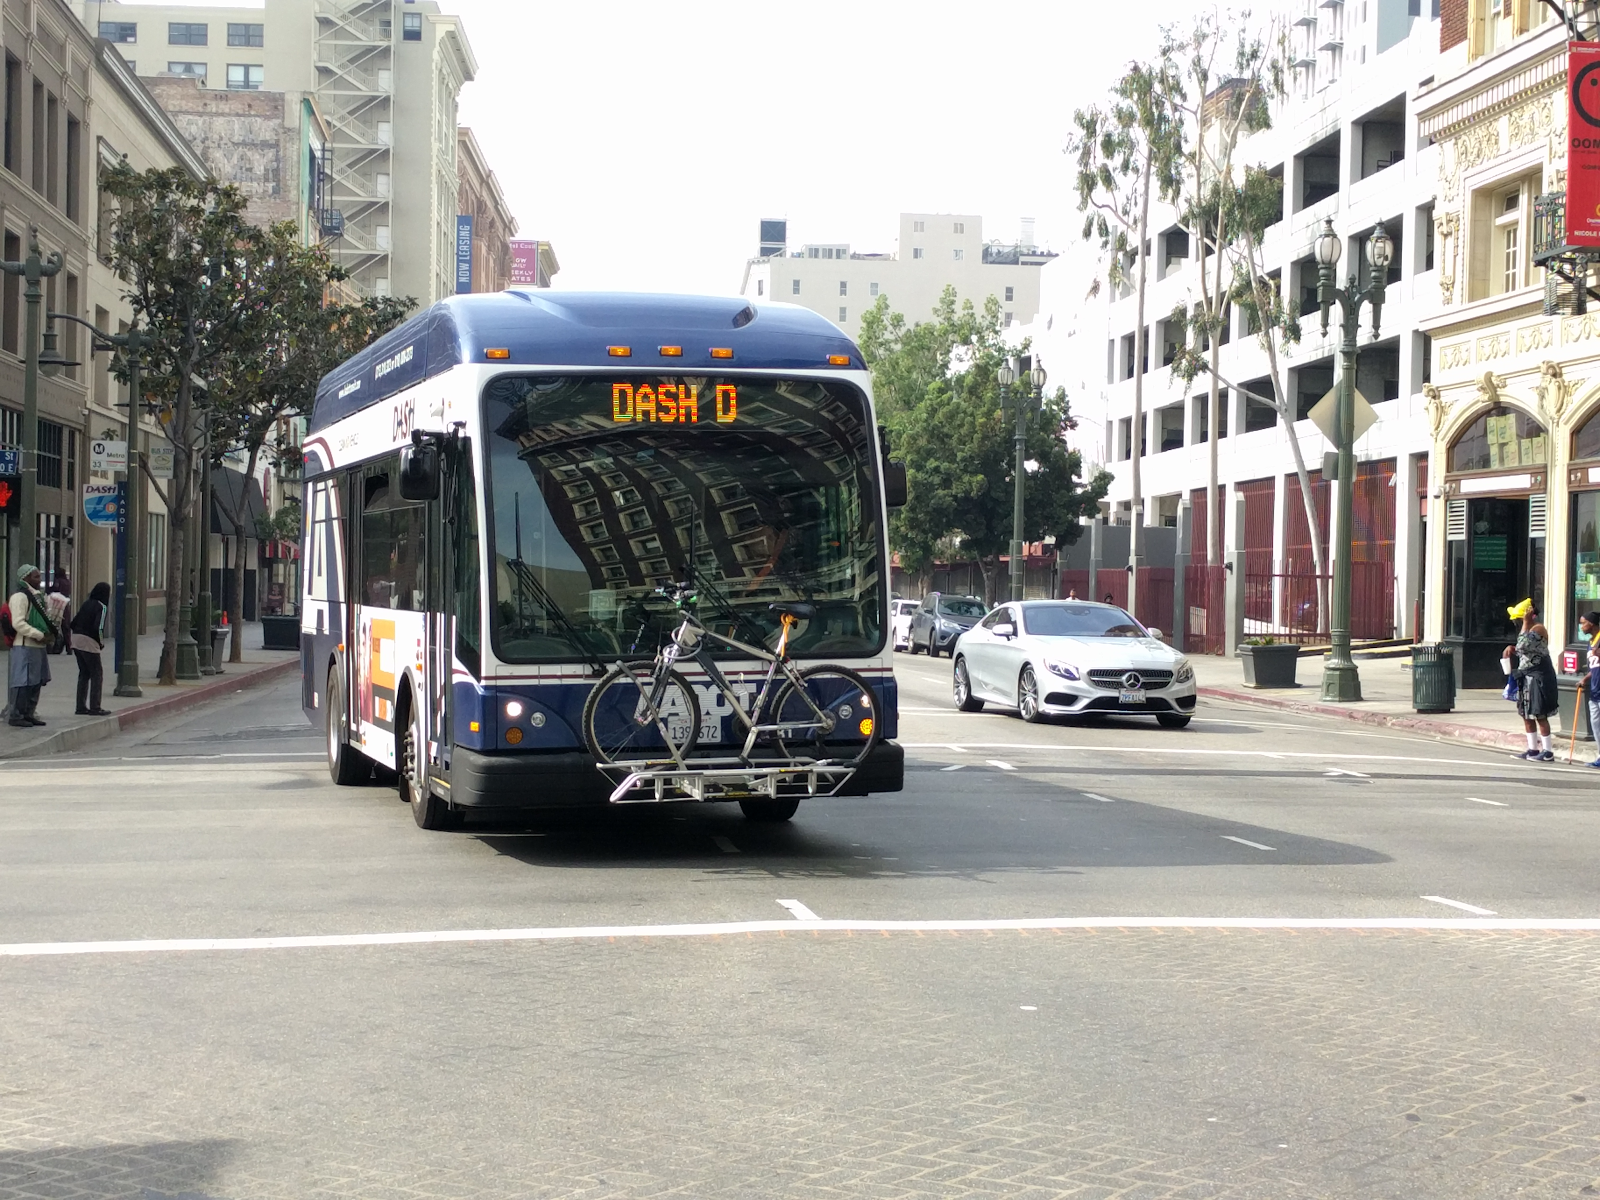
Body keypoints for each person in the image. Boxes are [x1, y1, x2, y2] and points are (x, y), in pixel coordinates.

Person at [1503, 598, 1560, 762]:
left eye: (1519, 619)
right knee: (1525, 713)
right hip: (1525, 676)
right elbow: (1522, 650)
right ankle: (1532, 749)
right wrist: (1511, 649)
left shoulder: (1538, 628)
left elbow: (1523, 645)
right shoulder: (1526, 630)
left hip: (1538, 676)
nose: (1518, 623)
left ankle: (1547, 751)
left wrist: (1526, 624)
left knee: (1539, 713)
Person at [7, 565, 56, 727]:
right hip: (24, 646)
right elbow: (18, 623)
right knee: (23, 682)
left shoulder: (38, 597)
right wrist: (39, 635)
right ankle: (16, 714)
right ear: (25, 578)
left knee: (36, 681)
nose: (39, 579)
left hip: (38, 647)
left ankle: (29, 713)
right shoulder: (20, 597)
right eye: (35, 577)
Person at [69, 582, 111, 716]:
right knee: (97, 674)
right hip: (89, 641)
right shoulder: (101, 607)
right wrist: (101, 642)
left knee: (84, 673)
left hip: (75, 639)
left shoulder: (86, 603)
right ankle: (95, 707)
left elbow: (73, 622)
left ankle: (80, 706)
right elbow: (98, 627)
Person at [1583, 610, 1600, 769]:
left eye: (1583, 623)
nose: (1581, 626)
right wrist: (1585, 678)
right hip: (1594, 689)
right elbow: (1594, 666)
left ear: (1592, 624)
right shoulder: (1591, 642)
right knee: (1596, 725)